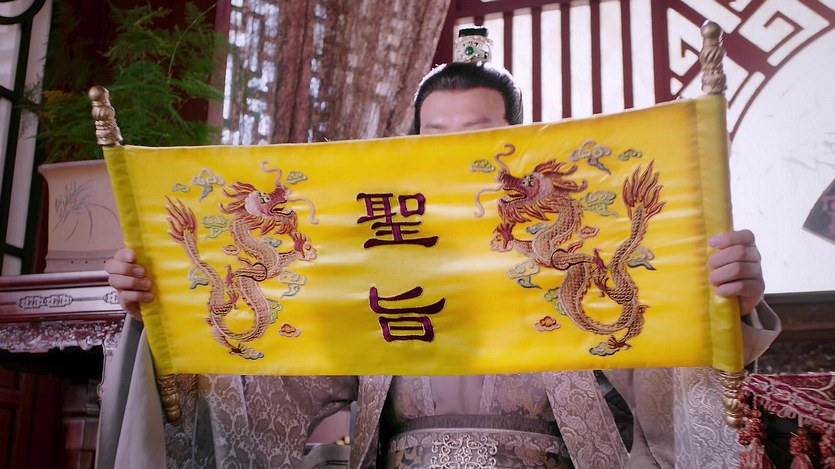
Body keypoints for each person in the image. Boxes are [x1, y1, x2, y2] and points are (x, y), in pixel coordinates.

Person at [98, 29, 780, 469]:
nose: (455, 151)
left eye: (478, 132)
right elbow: (274, 383)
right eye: (435, 135)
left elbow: (666, 365)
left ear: (518, 140)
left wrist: (725, 299)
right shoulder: (369, 253)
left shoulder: (571, 243)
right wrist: (173, 308)